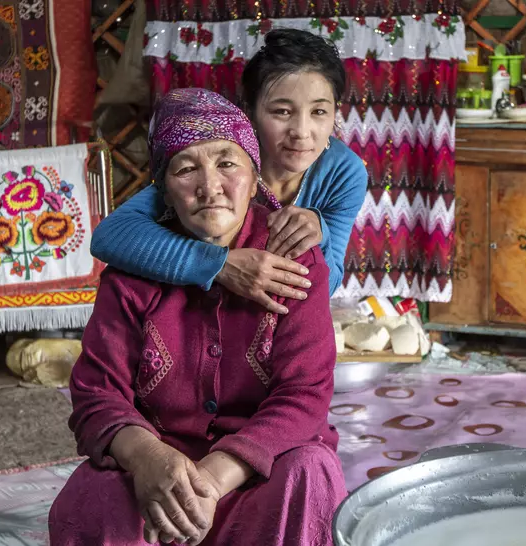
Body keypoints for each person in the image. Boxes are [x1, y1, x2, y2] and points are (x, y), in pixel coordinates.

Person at [49, 88, 346, 546]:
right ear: (163, 190)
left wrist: (209, 481)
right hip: (159, 483)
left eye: (227, 162)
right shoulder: (133, 271)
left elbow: (305, 394)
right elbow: (96, 393)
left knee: (310, 470)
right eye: (186, 168)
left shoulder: (292, 257)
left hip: (257, 476)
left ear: (254, 175)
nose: (210, 186)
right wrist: (149, 458)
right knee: (90, 494)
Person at [91, 29, 368, 315]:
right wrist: (217, 264)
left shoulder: (344, 174)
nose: (301, 132)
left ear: (336, 112)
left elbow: (328, 286)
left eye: (319, 112)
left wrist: (320, 233)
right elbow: (109, 237)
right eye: (282, 112)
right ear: (249, 113)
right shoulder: (221, 161)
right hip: (192, 311)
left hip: (274, 319)